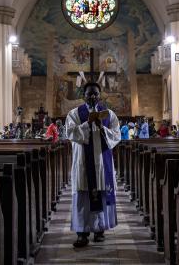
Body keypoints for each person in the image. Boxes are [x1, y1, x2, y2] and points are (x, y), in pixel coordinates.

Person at [65, 82, 121, 248]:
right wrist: (87, 124)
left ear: (100, 94)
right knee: (83, 197)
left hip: (102, 163)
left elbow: (117, 135)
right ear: (84, 95)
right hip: (83, 163)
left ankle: (99, 230)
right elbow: (70, 133)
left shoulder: (108, 114)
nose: (92, 96)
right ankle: (82, 233)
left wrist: (103, 129)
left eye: (95, 93)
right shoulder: (74, 114)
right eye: (89, 94)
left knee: (102, 193)